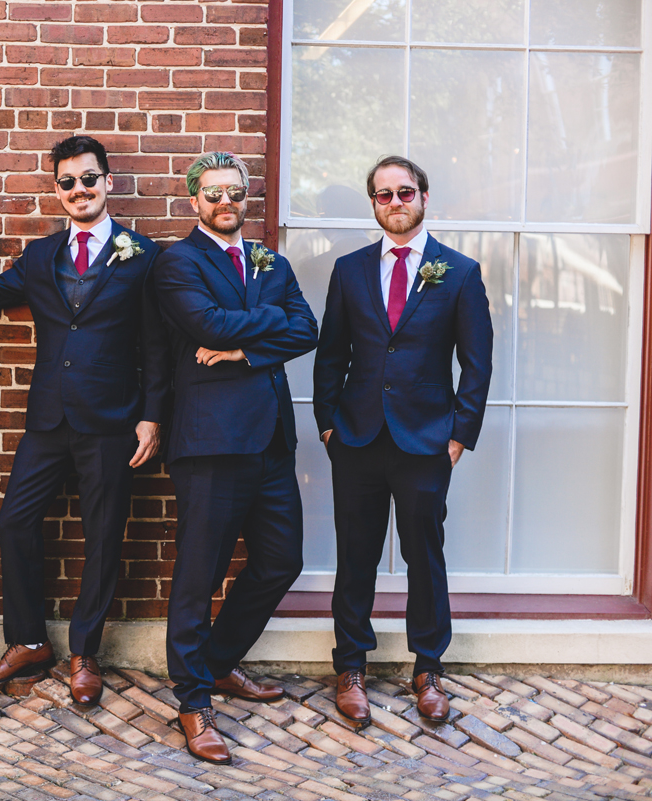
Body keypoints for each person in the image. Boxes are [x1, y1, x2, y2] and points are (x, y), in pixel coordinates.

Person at [0, 135, 170, 706]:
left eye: (89, 179)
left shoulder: (144, 256)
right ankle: (27, 641)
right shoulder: (41, 256)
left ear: (108, 183)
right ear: (57, 190)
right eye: (67, 182)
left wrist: (151, 417)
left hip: (113, 421)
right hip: (47, 419)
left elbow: (158, 347)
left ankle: (84, 653)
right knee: (15, 522)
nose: (79, 190)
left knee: (102, 538)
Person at [313, 155, 492, 724]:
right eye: (383, 195)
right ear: (372, 203)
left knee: (424, 557)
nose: (395, 203)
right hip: (358, 439)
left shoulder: (459, 272)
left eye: (405, 193)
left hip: (425, 442)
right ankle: (351, 667)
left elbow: (477, 364)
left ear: (423, 197)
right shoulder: (349, 269)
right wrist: (327, 421)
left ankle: (428, 668)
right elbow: (330, 353)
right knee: (356, 556)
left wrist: (460, 434)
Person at [153, 152, 317, 764]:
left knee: (281, 560)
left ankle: (218, 663)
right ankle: (194, 701)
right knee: (197, 576)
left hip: (271, 440)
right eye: (213, 192)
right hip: (211, 442)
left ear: (247, 197)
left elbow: (308, 330)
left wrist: (247, 353)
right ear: (194, 200)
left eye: (235, 191)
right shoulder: (177, 262)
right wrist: (266, 324)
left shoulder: (269, 261)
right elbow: (206, 323)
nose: (226, 201)